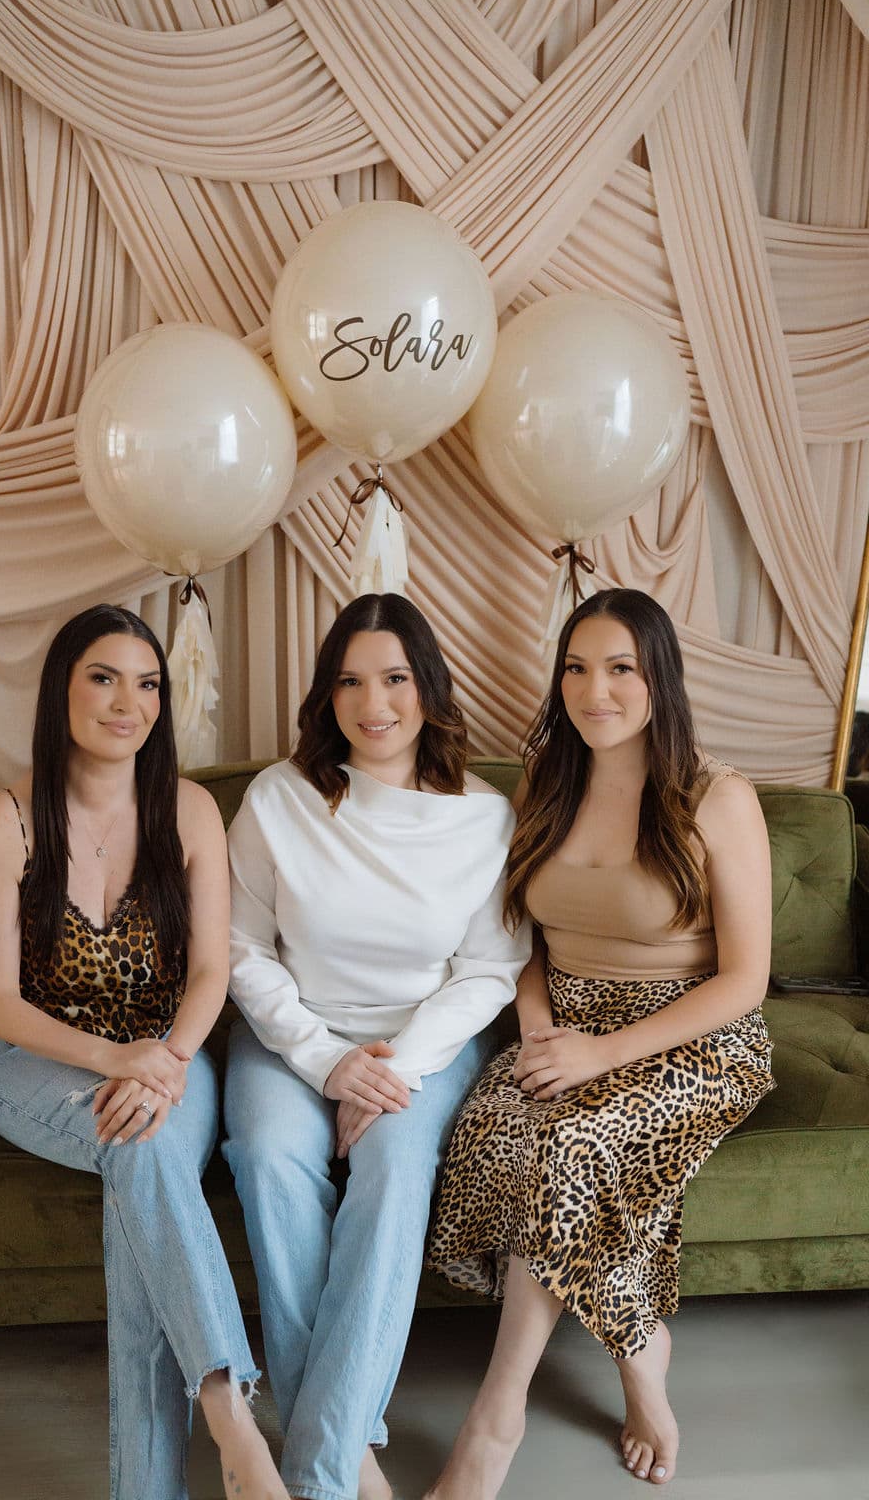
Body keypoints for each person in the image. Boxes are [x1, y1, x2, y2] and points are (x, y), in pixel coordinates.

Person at [426, 588, 775, 1496]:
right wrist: (540, 1028)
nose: (596, 690)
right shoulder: (546, 778)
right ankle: (641, 1345)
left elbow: (743, 981)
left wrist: (602, 1056)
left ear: (660, 675)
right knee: (494, 1131)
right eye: (577, 667)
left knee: (572, 1146)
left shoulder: (717, 796)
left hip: (693, 1033)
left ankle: (495, 1417)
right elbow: (523, 941)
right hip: (563, 1021)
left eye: (621, 667)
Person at [0, 603, 288, 1500]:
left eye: (148, 684)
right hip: (35, 1060)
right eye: (103, 679)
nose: (128, 703)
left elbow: (213, 971)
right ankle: (235, 1423)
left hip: (170, 1057)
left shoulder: (187, 810)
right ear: (61, 692)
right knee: (133, 1138)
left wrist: (170, 1058)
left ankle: (179, 1460)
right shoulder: (5, 821)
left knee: (140, 1154)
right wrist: (115, 1061)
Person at [222, 592, 533, 1500]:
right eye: (351, 681)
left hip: (418, 1048)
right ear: (327, 697)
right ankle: (348, 1445)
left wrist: (389, 1067)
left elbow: (488, 968)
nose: (375, 703)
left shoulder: (485, 816)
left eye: (395, 678)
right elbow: (241, 950)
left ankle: (318, 1464)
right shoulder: (279, 799)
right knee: (273, 1161)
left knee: (396, 1166)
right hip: (292, 1038)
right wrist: (326, 1061)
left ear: (428, 688)